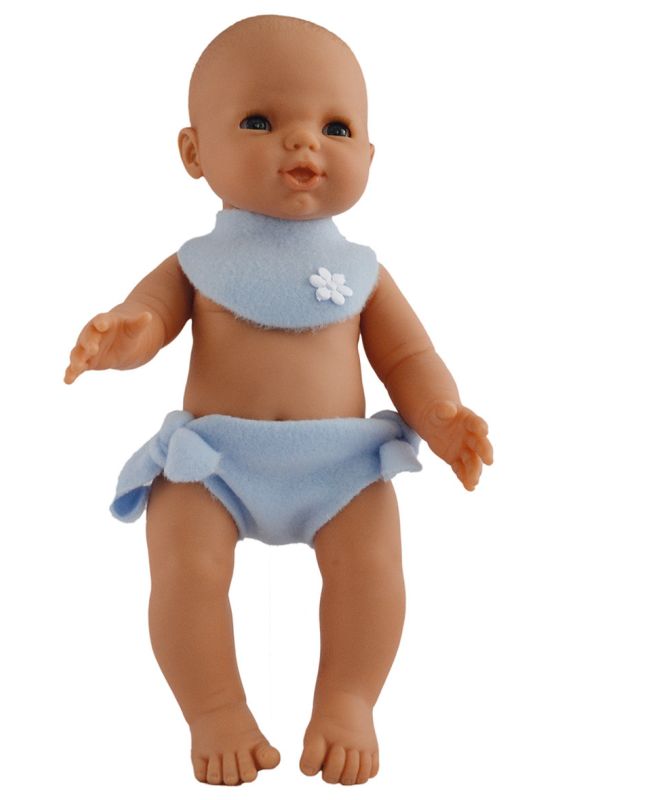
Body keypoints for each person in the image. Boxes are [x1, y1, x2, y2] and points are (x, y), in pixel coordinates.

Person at [64, 14, 493, 786]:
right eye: (260, 121)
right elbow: (150, 318)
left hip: (339, 466)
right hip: (216, 460)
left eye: (336, 127)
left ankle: (348, 699)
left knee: (373, 566)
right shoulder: (196, 263)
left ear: (369, 155)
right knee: (184, 565)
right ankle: (215, 710)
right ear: (194, 152)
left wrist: (441, 416)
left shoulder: (361, 270)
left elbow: (408, 358)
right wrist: (123, 336)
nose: (304, 142)